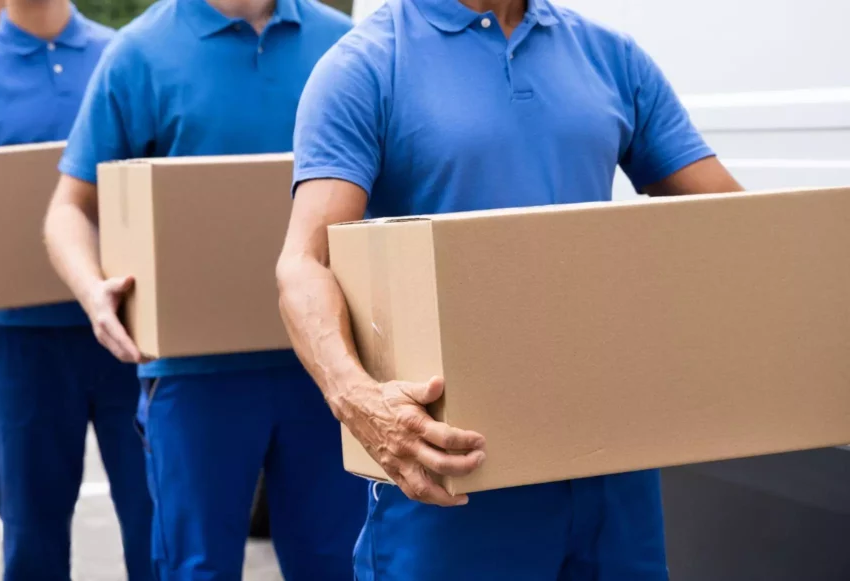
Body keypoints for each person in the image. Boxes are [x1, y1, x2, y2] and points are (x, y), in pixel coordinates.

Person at [276, 0, 745, 579]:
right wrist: (359, 402)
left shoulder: (609, 55)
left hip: (614, 457)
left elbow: (737, 226)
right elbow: (303, 263)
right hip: (454, 464)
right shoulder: (366, 64)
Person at [43, 0, 364, 578]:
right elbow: (70, 207)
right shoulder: (139, 53)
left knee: (335, 565)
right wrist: (93, 291)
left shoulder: (347, 45)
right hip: (195, 379)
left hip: (331, 365)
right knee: (197, 569)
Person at [0, 2, 152, 580]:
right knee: (32, 537)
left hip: (132, 335)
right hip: (21, 349)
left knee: (156, 524)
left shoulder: (124, 56)